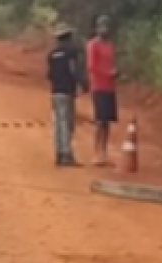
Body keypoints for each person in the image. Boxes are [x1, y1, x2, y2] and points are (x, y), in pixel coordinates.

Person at [46, 23, 87, 166]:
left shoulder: (52, 54)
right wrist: (82, 83)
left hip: (55, 92)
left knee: (57, 123)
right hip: (67, 92)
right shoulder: (71, 51)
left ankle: (58, 153)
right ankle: (66, 154)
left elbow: (49, 75)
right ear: (68, 37)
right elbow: (73, 70)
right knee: (67, 123)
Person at [86, 15, 119, 167]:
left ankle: (103, 152)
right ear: (96, 28)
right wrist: (108, 73)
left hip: (110, 87)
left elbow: (112, 62)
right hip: (99, 86)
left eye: (107, 26)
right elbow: (91, 67)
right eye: (101, 26)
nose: (104, 29)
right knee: (100, 121)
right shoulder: (93, 45)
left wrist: (115, 72)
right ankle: (95, 152)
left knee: (107, 122)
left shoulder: (110, 45)